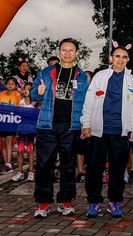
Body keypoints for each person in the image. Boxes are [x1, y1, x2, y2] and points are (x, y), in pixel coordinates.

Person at [31, 38, 90, 218]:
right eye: (64, 50)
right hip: (47, 125)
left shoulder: (81, 76)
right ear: (59, 52)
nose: (67, 53)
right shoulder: (46, 72)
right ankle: (43, 202)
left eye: (71, 50)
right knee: (44, 164)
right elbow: (33, 93)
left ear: (76, 53)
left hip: (71, 127)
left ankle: (66, 200)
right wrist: (38, 92)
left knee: (68, 165)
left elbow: (88, 103)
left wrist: (85, 125)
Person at [81, 42, 133, 219]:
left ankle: (114, 201)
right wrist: (86, 123)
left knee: (117, 168)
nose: (120, 59)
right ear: (110, 58)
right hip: (98, 129)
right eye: (117, 56)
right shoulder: (100, 76)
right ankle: (94, 201)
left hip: (120, 130)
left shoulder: (131, 80)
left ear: (128, 60)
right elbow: (89, 101)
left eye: (124, 57)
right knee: (94, 167)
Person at [12, 83, 37, 182]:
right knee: (20, 151)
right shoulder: (20, 102)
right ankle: (20, 172)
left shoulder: (35, 103)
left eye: (29, 89)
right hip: (21, 130)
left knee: (30, 151)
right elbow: (16, 115)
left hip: (31, 131)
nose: (27, 90)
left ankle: (31, 172)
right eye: (25, 88)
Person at [0, 77, 21, 174]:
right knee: (2, 142)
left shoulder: (17, 95)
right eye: (8, 83)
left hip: (11, 120)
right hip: (2, 120)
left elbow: (18, 108)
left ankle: (9, 164)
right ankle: (5, 162)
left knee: (8, 142)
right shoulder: (1, 94)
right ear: (5, 85)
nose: (10, 85)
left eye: (12, 84)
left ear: (16, 86)